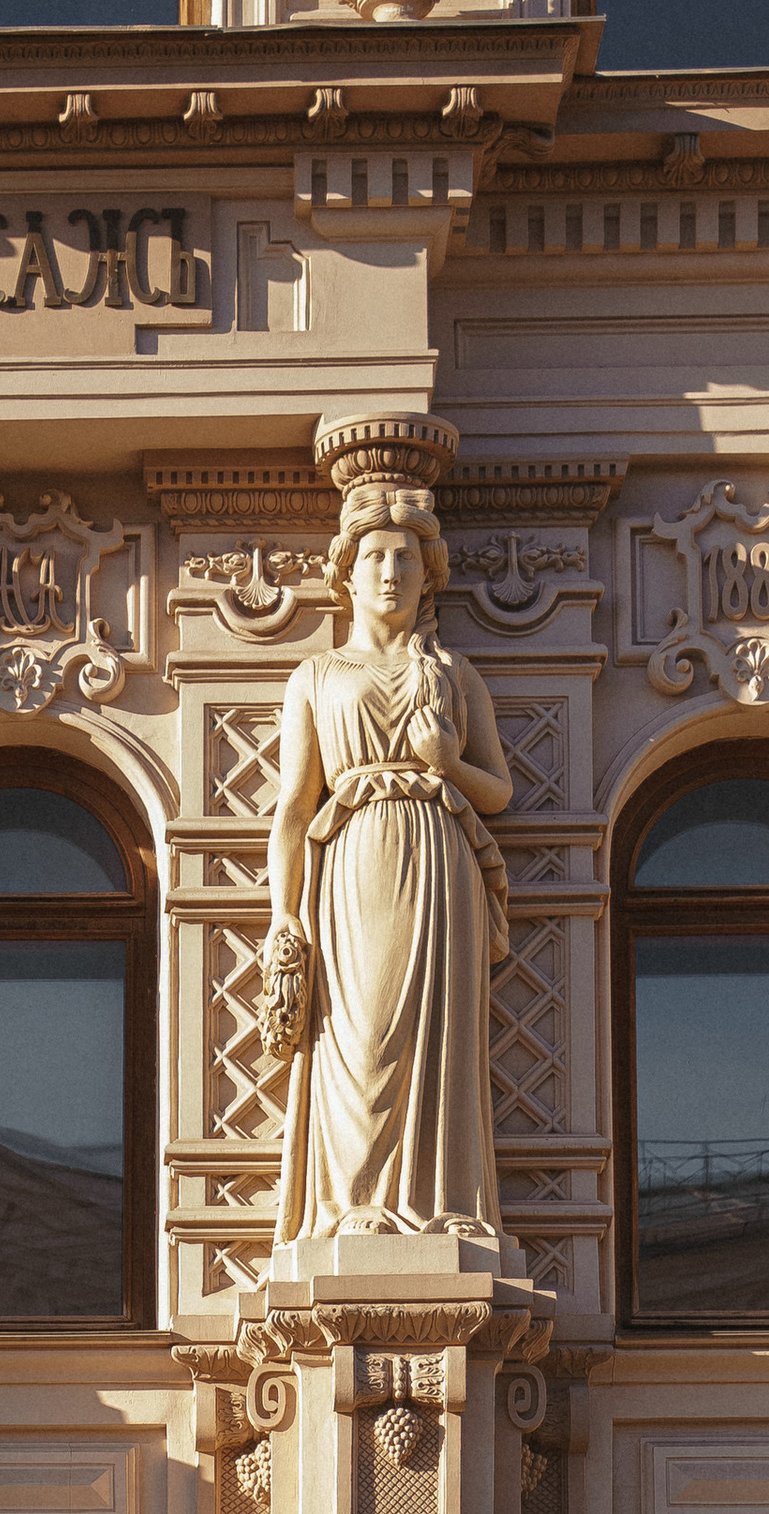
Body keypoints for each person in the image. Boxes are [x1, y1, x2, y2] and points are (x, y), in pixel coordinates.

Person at [262, 478, 514, 1251]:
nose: (390, 573)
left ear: (427, 573)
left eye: (406, 558)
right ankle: (350, 1207)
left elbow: (496, 790)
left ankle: (440, 1207)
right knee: (359, 1038)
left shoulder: (454, 673)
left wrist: (446, 763)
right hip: (352, 865)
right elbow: (294, 810)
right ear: (347, 570)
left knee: (443, 1047)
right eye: (374, 556)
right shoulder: (317, 677)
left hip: (442, 858)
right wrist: (284, 916)